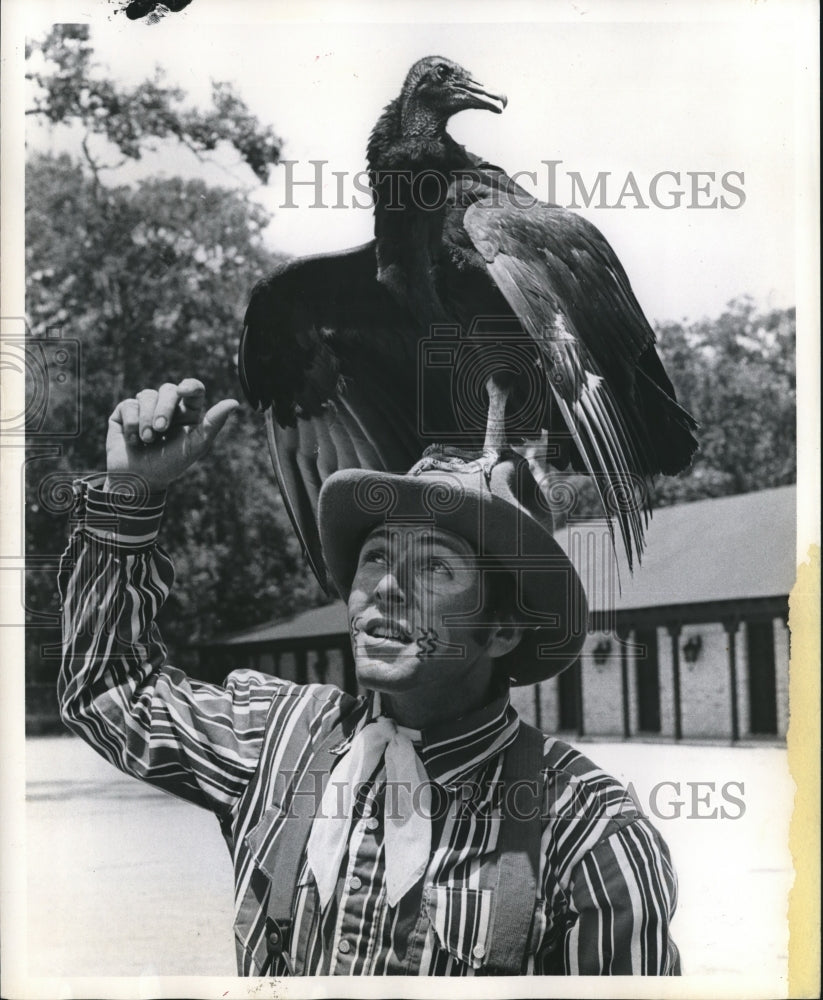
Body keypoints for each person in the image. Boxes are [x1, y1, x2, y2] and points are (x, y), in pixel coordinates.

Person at [59, 377, 680, 976]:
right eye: (377, 556)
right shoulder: (279, 738)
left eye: (435, 568)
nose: (385, 587)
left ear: (502, 631)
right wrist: (129, 501)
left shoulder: (584, 827)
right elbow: (112, 695)